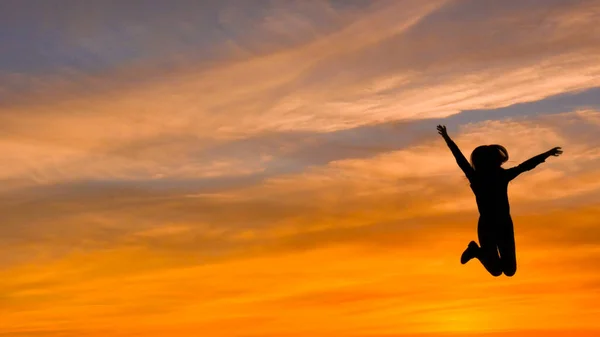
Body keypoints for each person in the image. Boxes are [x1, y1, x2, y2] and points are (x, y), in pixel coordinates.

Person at [437, 125, 562, 277]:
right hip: (487, 226)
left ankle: (478, 252)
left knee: (509, 271)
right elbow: (460, 159)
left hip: (504, 225)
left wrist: (546, 154)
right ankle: (475, 251)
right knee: (496, 271)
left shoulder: (500, 176)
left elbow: (525, 166)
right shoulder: (478, 178)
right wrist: (447, 139)